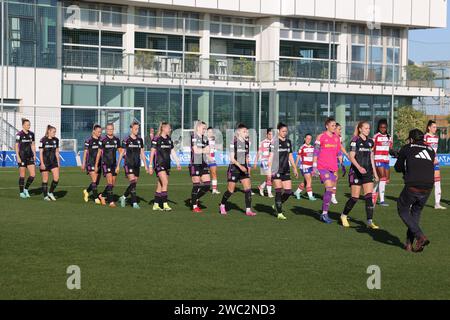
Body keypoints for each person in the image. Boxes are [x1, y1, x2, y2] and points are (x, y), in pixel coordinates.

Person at [395, 129, 435, 252]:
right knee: (415, 213)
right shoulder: (431, 150)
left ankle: (420, 236)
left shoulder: (407, 147)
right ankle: (409, 244)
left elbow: (398, 167)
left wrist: (400, 156)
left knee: (402, 208)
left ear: (411, 139)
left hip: (413, 184)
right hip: (428, 186)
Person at [340, 121, 379, 229]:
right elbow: (351, 157)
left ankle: (369, 221)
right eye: (365, 128)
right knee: (354, 197)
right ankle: (343, 216)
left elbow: (371, 158)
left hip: (367, 173)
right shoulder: (355, 140)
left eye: (369, 128)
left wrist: (375, 173)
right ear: (360, 129)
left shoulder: (371, 142)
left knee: (368, 197)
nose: (368, 130)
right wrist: (359, 167)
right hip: (356, 173)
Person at [219, 123, 256, 216]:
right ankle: (222, 205)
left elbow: (247, 157)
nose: (246, 133)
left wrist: (248, 168)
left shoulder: (247, 143)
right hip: (234, 169)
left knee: (248, 189)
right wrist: (241, 167)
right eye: (244, 131)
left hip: (244, 169)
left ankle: (248, 210)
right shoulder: (233, 143)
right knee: (230, 191)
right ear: (239, 132)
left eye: (247, 131)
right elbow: (232, 159)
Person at [313, 118, 341, 224]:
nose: (334, 127)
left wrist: (341, 160)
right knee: (329, 188)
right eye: (333, 125)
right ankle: (324, 214)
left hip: (333, 167)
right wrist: (315, 166)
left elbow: (338, 151)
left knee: (329, 191)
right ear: (327, 126)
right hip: (322, 167)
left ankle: (324, 212)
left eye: (335, 125)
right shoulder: (321, 137)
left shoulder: (336, 138)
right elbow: (315, 152)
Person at [149, 122, 181, 211]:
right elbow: (152, 152)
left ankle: (155, 204)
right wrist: (150, 165)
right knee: (165, 182)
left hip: (167, 165)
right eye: (169, 128)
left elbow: (172, 152)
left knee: (160, 184)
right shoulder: (157, 139)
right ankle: (165, 204)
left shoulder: (169, 139)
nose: (170, 130)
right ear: (163, 128)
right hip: (159, 164)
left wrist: (177, 162)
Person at [269, 123, 299, 220]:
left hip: (286, 169)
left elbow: (290, 156)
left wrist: (294, 168)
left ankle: (277, 204)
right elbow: (271, 157)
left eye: (286, 131)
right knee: (278, 190)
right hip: (276, 169)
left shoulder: (288, 142)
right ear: (278, 131)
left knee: (288, 192)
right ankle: (279, 213)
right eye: (283, 131)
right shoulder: (274, 142)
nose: (285, 133)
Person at [117, 121, 149, 209]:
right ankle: (134, 203)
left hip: (137, 164)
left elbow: (142, 153)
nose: (137, 130)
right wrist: (118, 165)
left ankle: (123, 197)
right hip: (128, 164)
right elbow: (122, 152)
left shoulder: (140, 140)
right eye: (135, 129)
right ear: (131, 129)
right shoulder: (126, 139)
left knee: (134, 184)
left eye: (138, 129)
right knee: (132, 182)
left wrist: (146, 165)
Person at [95, 123, 121, 207]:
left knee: (112, 184)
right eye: (108, 129)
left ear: (113, 130)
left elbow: (120, 151)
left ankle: (102, 196)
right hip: (106, 163)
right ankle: (111, 201)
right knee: (109, 182)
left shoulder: (116, 140)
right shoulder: (102, 140)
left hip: (114, 164)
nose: (110, 130)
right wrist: (96, 165)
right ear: (106, 130)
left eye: (111, 129)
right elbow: (99, 153)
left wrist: (124, 158)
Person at [189, 120, 211, 213]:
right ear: (198, 128)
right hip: (195, 163)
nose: (204, 130)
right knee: (196, 184)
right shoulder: (193, 137)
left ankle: (194, 198)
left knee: (207, 185)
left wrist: (202, 150)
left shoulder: (205, 138)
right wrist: (203, 150)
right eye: (203, 128)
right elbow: (196, 150)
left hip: (203, 163)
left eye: (205, 129)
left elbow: (208, 150)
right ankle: (194, 206)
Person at [424, 120, 446, 210]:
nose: (435, 129)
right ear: (429, 127)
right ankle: (414, 201)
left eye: (436, 127)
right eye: (434, 127)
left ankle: (437, 203)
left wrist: (435, 158)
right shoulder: (425, 137)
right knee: (424, 183)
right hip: (426, 163)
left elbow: (434, 151)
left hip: (435, 162)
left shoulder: (436, 137)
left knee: (437, 182)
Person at [372, 119, 393, 206]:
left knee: (386, 180)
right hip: (378, 159)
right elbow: (372, 149)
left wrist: (394, 152)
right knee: (383, 178)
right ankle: (382, 200)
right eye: (381, 127)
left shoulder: (389, 137)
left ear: (386, 128)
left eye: (384, 127)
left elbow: (390, 148)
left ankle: (373, 192)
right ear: (379, 128)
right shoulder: (376, 136)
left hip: (386, 160)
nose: (383, 129)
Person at [81, 124, 102, 204]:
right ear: (94, 131)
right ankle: (96, 198)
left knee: (97, 182)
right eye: (98, 132)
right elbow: (85, 152)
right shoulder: (88, 141)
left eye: (100, 132)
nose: (100, 133)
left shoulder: (101, 141)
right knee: (94, 180)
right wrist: (83, 164)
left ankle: (86, 191)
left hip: (99, 163)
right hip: (90, 163)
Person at [15, 118, 36, 199]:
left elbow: (33, 145)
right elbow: (16, 146)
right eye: (27, 125)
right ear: (23, 125)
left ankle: (26, 189)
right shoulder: (19, 134)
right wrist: (18, 156)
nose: (29, 126)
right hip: (22, 157)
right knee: (22, 175)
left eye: (29, 125)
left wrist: (34, 155)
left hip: (30, 156)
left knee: (33, 175)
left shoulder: (32, 134)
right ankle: (21, 192)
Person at [39, 125, 60, 201]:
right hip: (45, 162)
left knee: (56, 178)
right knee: (45, 180)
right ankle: (45, 196)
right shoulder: (43, 140)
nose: (55, 133)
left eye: (55, 132)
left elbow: (57, 152)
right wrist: (42, 163)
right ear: (49, 131)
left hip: (53, 162)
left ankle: (50, 192)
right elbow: (40, 153)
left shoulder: (56, 140)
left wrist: (58, 162)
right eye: (53, 132)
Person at [294, 133, 316, 201]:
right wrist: (295, 168)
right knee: (309, 181)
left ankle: (297, 192)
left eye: (310, 139)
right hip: (304, 166)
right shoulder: (302, 147)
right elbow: (298, 157)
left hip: (310, 167)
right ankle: (310, 196)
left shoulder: (312, 147)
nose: (308, 140)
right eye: (307, 138)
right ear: (304, 139)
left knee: (306, 182)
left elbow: (314, 157)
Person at [254, 128, 274, 198]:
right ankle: (269, 193)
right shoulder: (262, 142)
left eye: (272, 134)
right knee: (269, 176)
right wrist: (255, 161)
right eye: (269, 134)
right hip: (265, 161)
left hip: (272, 161)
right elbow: (259, 152)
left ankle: (261, 186)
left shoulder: (275, 142)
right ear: (266, 134)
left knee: (271, 177)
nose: (271, 136)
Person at [332, 123, 348, 204]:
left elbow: (340, 147)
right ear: (334, 129)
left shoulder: (339, 138)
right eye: (339, 129)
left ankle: (331, 195)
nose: (340, 131)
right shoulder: (329, 136)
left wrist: (342, 157)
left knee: (334, 178)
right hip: (328, 159)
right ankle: (331, 195)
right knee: (332, 178)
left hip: (335, 159)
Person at [207, 127, 220, 194]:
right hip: (205, 160)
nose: (210, 133)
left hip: (212, 159)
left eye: (211, 132)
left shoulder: (213, 140)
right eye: (209, 132)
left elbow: (215, 149)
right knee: (203, 175)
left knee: (214, 173)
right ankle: (199, 188)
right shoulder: (204, 140)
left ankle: (214, 189)